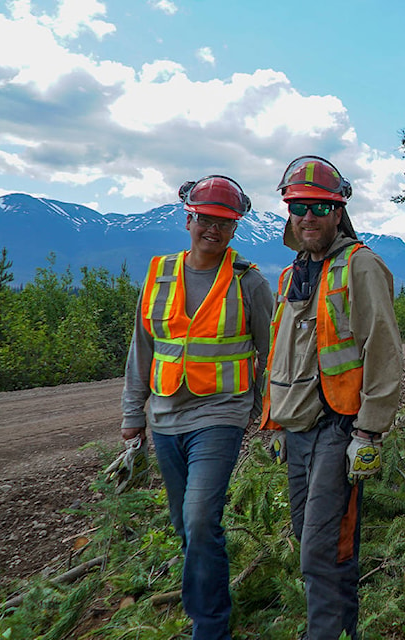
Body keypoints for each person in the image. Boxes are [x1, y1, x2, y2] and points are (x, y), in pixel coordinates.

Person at [120, 175, 273, 640]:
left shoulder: (251, 283)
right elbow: (142, 345)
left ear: (234, 228)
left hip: (221, 415)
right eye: (206, 219)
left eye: (224, 222)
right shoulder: (160, 272)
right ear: (189, 218)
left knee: (201, 517)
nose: (213, 228)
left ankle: (209, 627)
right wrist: (132, 415)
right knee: (184, 524)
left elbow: (271, 354)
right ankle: (210, 596)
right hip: (165, 417)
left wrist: (268, 415)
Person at [261, 155, 402, 640]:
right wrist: (274, 423)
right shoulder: (289, 276)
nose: (308, 215)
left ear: (338, 212)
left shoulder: (360, 266)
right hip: (296, 430)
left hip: (338, 429)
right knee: (310, 538)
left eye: (321, 206)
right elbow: (282, 355)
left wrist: (369, 430)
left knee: (322, 548)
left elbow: (382, 349)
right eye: (299, 206)